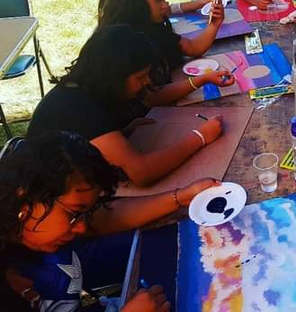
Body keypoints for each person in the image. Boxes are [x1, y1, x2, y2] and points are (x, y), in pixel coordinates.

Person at [0, 131, 218, 311]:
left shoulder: (42, 236)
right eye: (73, 214)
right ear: (24, 195)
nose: (82, 227)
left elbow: (107, 217)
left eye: (86, 213)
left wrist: (183, 196)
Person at [28, 25, 234, 187]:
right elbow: (141, 173)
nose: (147, 82)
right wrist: (201, 136)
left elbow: (94, 138)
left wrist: (121, 133)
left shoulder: (89, 87)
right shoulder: (78, 107)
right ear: (113, 76)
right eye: (140, 77)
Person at [98, 0, 224, 86]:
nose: (165, 5)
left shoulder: (153, 26)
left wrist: (214, 24)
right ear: (136, 3)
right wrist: (200, 81)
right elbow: (152, 95)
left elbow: (193, 48)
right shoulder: (123, 44)